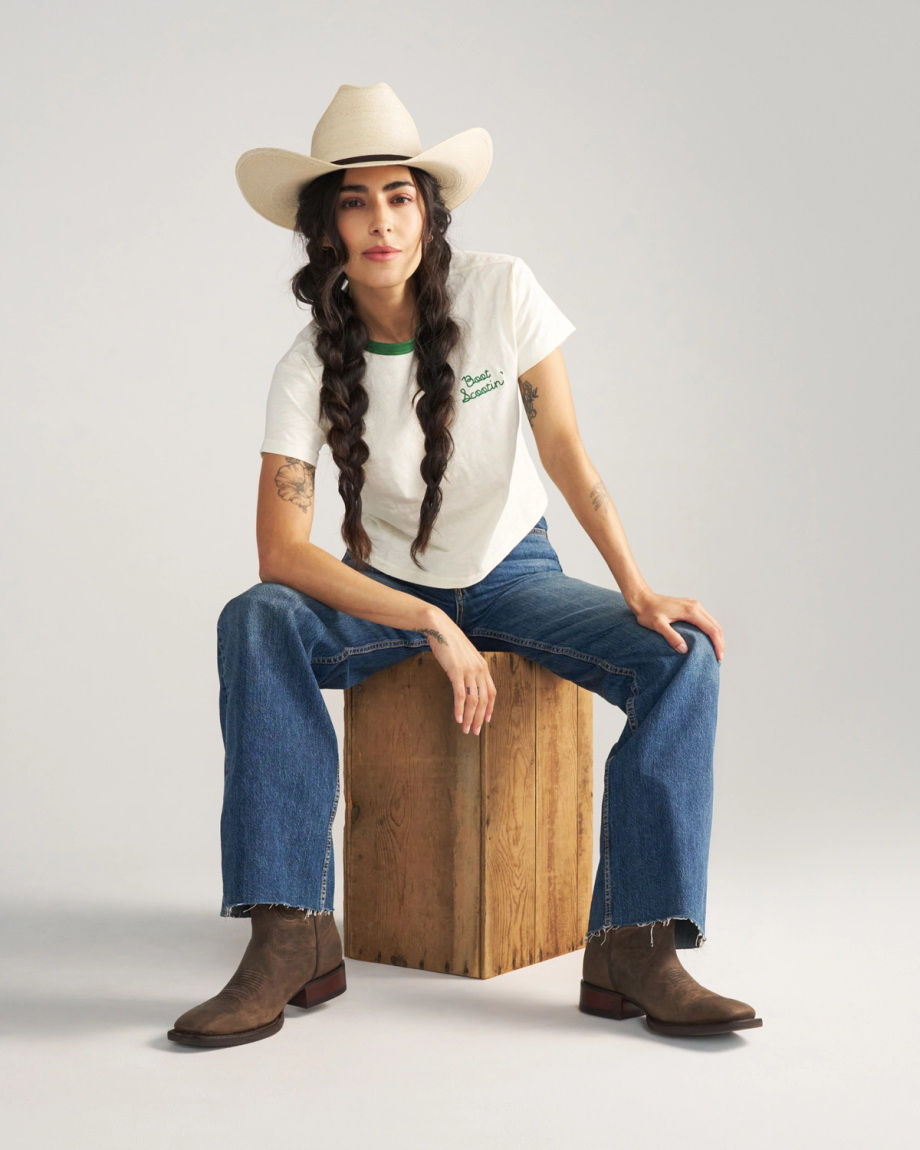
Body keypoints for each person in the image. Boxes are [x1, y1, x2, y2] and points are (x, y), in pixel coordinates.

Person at [167, 83, 762, 1047]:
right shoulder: (306, 366)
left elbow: (563, 446)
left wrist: (636, 585)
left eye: (399, 196)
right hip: (389, 588)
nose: (380, 220)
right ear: (326, 228)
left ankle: (636, 945)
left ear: (428, 211)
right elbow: (281, 553)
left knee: (684, 651)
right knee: (255, 616)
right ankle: (290, 933)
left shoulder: (501, 290)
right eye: (354, 201)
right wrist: (427, 620)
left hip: (516, 571)